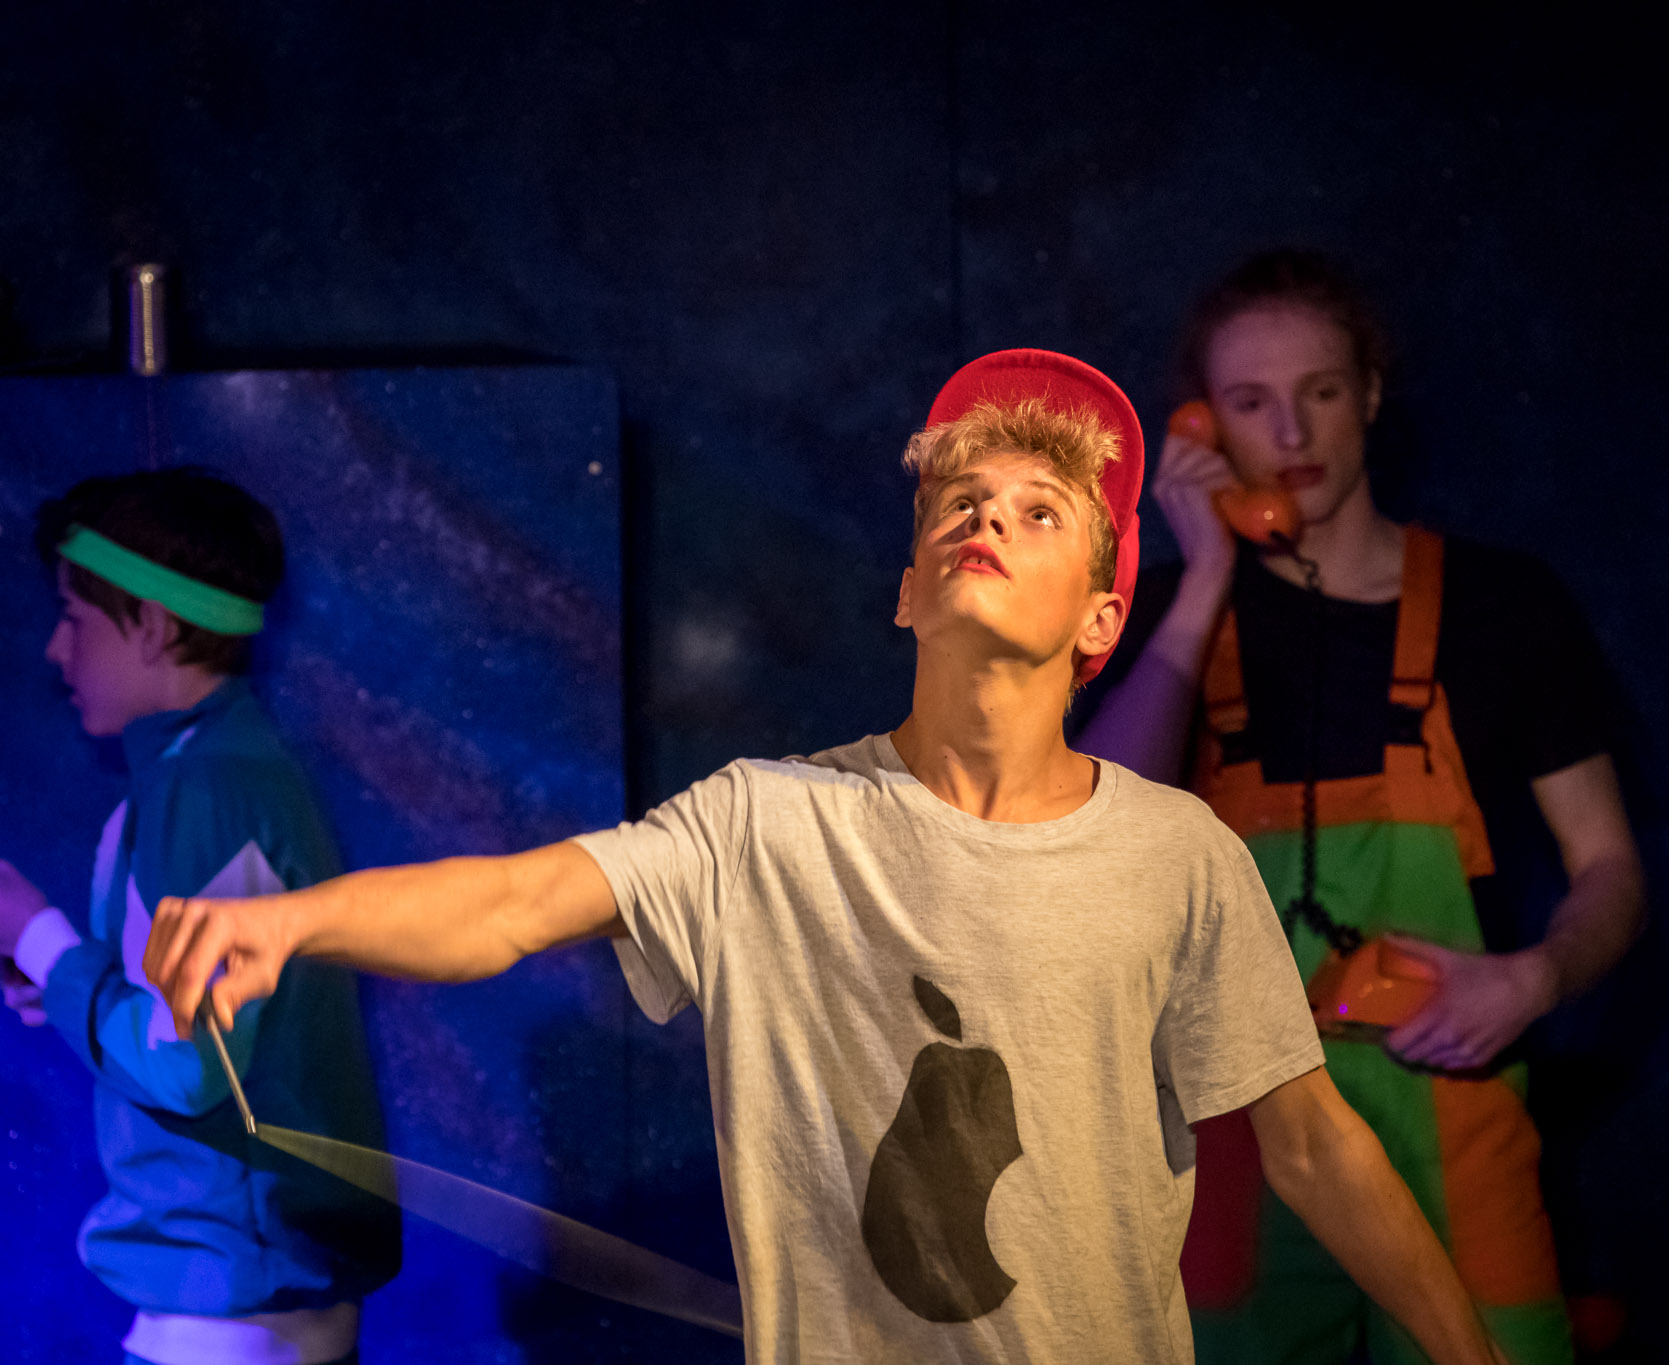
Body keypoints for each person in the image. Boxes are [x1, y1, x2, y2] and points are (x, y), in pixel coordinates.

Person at [144, 350, 1505, 1365]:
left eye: (1039, 510)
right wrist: (294, 923)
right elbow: (513, 902)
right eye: (959, 501)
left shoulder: (1176, 855)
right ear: (910, 589)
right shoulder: (765, 821)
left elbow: (1314, 1148)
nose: (984, 518)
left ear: (1102, 618)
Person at [1074, 251, 1645, 1365]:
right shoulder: (1163, 623)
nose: (1291, 432)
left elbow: (1611, 869)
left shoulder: (1504, 605)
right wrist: (1202, 581)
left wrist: (1535, 977)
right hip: (1232, 1140)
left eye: (1321, 391)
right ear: (1201, 430)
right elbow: (1090, 833)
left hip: (1452, 1120)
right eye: (1249, 403)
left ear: (1370, 395)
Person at [0, 469, 398, 1365]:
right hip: (248, 1312)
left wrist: (38, 935)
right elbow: (191, 1020)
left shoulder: (210, 786)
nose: (56, 650)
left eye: (74, 617)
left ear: (152, 625)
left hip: (230, 1319)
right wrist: (63, 981)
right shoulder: (218, 769)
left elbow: (186, 1063)